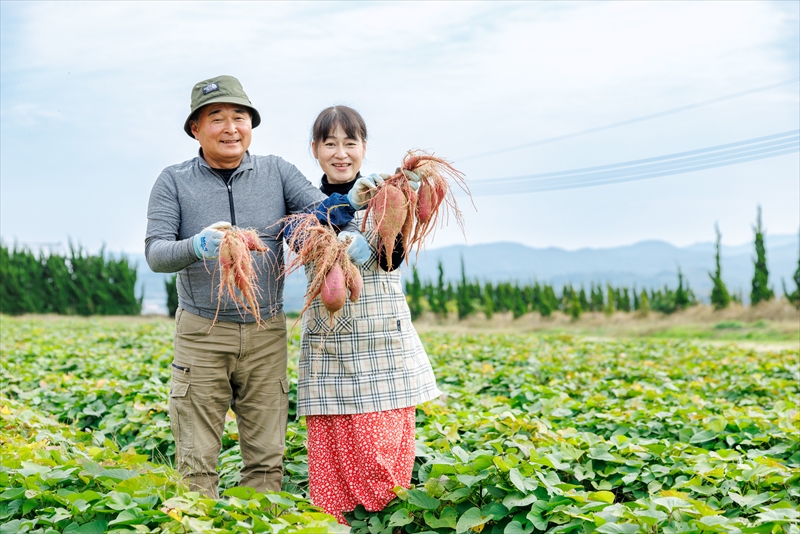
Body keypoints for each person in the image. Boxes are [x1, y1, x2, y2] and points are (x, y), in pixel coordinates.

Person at [145, 76, 376, 498]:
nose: (231, 127)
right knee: (195, 460)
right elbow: (156, 253)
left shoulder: (277, 173)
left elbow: (317, 218)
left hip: (266, 332)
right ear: (195, 128)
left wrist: (354, 203)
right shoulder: (173, 181)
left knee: (267, 459)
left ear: (251, 124)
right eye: (217, 118)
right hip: (202, 333)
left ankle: (259, 522)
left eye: (240, 117)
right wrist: (197, 245)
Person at [296, 105, 442, 524]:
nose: (341, 153)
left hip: (382, 342)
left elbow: (392, 257)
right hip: (330, 345)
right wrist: (347, 206)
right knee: (335, 456)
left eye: (350, 143)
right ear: (315, 150)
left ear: (363, 148)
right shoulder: (305, 201)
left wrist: (394, 206)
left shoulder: (385, 195)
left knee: (382, 463)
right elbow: (298, 239)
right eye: (330, 144)